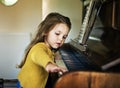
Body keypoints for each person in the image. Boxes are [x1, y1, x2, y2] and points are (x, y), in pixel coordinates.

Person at [17, 12, 71, 88]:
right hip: (26, 85)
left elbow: (49, 53)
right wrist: (49, 65)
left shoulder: (49, 48)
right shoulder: (39, 47)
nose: (60, 39)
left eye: (64, 37)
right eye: (57, 34)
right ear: (46, 31)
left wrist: (55, 56)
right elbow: (40, 55)